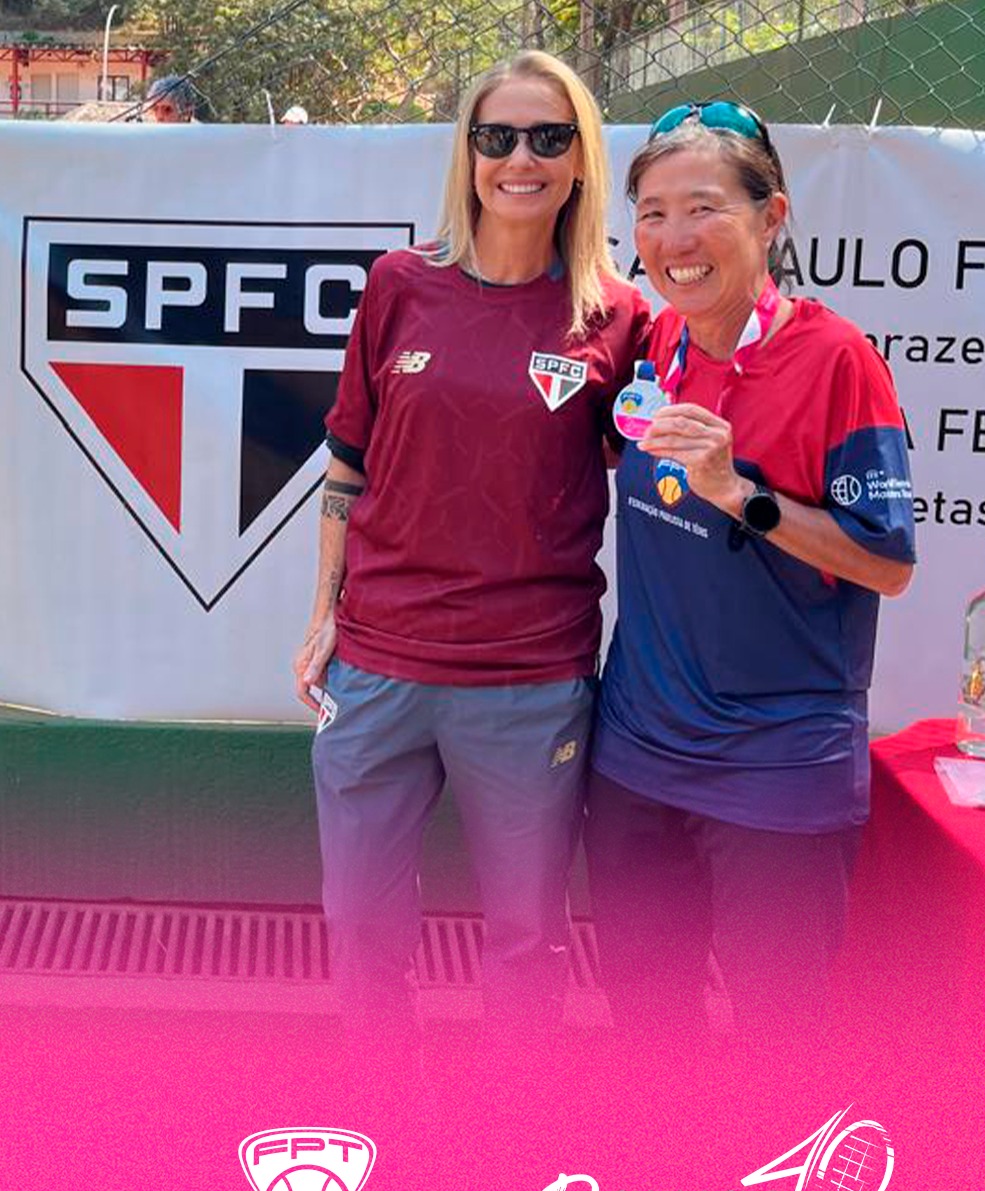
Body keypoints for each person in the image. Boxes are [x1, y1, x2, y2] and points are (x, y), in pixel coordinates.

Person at [292, 51, 651, 1072]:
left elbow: (649, 467)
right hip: (379, 667)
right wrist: (324, 614)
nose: (520, 159)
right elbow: (348, 469)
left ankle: (508, 1136)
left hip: (529, 680)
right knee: (361, 925)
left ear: (580, 159)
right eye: (497, 137)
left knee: (528, 940)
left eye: (548, 137)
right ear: (469, 154)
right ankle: (383, 1109)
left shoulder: (618, 317)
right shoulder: (398, 286)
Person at [584, 101, 916, 1058]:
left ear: (771, 217)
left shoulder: (838, 361)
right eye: (652, 213)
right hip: (637, 752)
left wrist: (743, 496)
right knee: (647, 1028)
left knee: (778, 1043)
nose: (674, 239)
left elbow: (888, 564)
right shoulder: (656, 343)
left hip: (778, 767)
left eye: (704, 208)